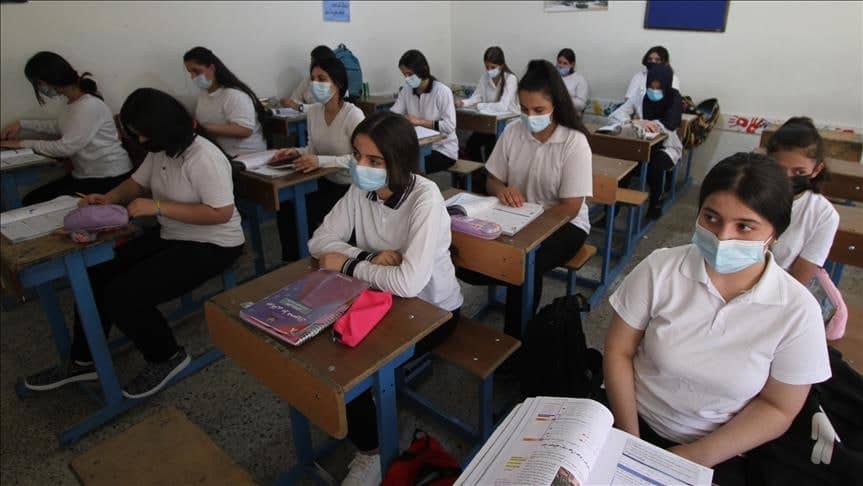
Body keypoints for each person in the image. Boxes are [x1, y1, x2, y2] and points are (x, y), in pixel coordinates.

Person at [604, 152, 831, 485]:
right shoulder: (660, 268)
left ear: (775, 233)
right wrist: (630, 441)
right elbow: (618, 350)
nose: (723, 237)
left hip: (719, 449)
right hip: (631, 420)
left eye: (744, 226)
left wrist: (689, 459)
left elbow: (778, 407)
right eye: (711, 218)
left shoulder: (797, 311)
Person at [23, 88, 245, 399]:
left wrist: (158, 207)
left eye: (143, 134)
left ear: (163, 127)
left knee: (123, 295)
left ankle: (167, 356)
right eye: (136, 134)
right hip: (174, 233)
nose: (140, 141)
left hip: (214, 243)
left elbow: (221, 213)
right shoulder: (161, 150)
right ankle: (83, 360)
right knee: (97, 272)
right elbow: (135, 183)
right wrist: (109, 198)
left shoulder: (203, 157)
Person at [308, 111, 463, 486]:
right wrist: (366, 257)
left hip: (432, 311)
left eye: (374, 161)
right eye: (357, 156)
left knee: (349, 362)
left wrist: (346, 263)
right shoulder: (360, 189)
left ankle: (372, 451)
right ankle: (364, 416)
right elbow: (319, 242)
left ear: (400, 162)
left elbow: (408, 283)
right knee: (320, 344)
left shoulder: (425, 198)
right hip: (378, 297)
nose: (361, 167)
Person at [458, 60, 592, 341]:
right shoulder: (512, 132)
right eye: (524, 109)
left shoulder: (574, 141)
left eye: (538, 110)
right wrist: (501, 190)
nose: (530, 117)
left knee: (528, 263)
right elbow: (492, 179)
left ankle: (515, 341)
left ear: (555, 105)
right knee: (469, 253)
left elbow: (571, 207)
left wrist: (528, 231)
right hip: (515, 215)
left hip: (565, 224)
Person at [0, 51, 132, 205]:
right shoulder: (73, 103)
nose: (40, 88)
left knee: (33, 202)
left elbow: (65, 148)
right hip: (87, 176)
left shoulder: (88, 106)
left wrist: (22, 144)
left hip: (110, 178)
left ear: (51, 78)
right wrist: (22, 124)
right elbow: (60, 126)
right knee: (32, 200)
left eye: (39, 83)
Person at [272, 56, 365, 262]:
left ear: (337, 83)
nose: (315, 84)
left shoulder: (353, 115)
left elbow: (361, 159)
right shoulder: (314, 112)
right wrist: (297, 152)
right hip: (323, 180)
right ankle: (293, 262)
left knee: (312, 212)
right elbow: (312, 149)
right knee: (286, 207)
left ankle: (319, 257)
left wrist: (320, 161)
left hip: (350, 186)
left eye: (322, 79)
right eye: (313, 79)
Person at [766, 117, 840, 284]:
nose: (787, 178)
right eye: (779, 168)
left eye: (799, 172)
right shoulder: (748, 193)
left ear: (816, 170)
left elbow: (799, 281)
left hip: (780, 287)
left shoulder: (824, 215)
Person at [609, 63, 682, 219]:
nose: (654, 91)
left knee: (654, 166)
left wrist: (651, 124)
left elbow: (670, 124)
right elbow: (616, 115)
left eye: (658, 88)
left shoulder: (674, 98)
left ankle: (656, 203)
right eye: (651, 87)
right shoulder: (641, 95)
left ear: (667, 85)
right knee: (623, 164)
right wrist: (635, 122)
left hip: (666, 147)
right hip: (640, 144)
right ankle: (611, 210)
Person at [183, 46, 266, 157]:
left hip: (245, 156)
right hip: (220, 154)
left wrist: (204, 128)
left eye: (197, 71)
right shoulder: (203, 95)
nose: (193, 77)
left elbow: (244, 130)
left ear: (211, 68)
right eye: (190, 73)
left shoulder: (234, 94)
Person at [390, 49, 458, 174]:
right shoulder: (406, 90)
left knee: (409, 169)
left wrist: (419, 122)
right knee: (392, 162)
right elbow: (394, 113)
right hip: (418, 147)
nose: (407, 79)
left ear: (422, 70)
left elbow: (449, 126)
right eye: (404, 75)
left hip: (443, 150)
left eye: (410, 74)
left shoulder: (442, 91)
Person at [455, 46, 519, 162]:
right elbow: (477, 96)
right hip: (490, 123)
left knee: (491, 148)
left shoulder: (511, 79)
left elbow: (502, 106)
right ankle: (479, 172)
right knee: (471, 144)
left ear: (501, 65)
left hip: (507, 125)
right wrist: (463, 103)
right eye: (487, 67)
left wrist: (479, 106)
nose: (489, 70)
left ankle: (489, 172)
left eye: (493, 67)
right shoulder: (485, 77)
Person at [281, 45, 337, 111]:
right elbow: (294, 98)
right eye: (311, 62)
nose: (311, 65)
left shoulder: (335, 81)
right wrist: (289, 103)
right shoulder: (309, 78)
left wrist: (300, 107)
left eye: (315, 62)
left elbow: (325, 108)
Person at [556, 48, 589, 113]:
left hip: (570, 115)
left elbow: (581, 105)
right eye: (559, 62)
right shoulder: (552, 76)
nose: (561, 65)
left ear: (572, 64)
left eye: (565, 63)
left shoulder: (579, 79)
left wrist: (564, 99)